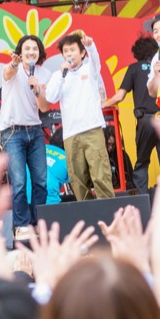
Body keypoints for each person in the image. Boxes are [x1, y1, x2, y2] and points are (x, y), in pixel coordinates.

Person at [45, 32, 114, 200]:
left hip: (92, 129)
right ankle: (86, 212)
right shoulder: (57, 76)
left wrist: (91, 46)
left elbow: (96, 62)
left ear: (82, 53)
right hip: (71, 134)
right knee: (77, 179)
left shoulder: (89, 69)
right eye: (65, 51)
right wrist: (62, 75)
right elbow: (51, 97)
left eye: (72, 50)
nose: (69, 54)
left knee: (100, 174)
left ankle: (109, 211)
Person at [0, 34, 52, 241]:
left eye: (35, 49)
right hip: (13, 132)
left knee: (41, 181)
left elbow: (44, 107)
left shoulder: (44, 74)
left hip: (35, 131)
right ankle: (21, 225)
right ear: (20, 52)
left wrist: (36, 89)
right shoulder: (12, 68)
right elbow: (8, 72)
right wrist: (14, 63)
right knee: (19, 182)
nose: (31, 52)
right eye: (27, 48)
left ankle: (37, 223)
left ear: (40, 52)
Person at [103, 34, 160, 195]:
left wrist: (103, 104)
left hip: (145, 120)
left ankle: (143, 200)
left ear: (136, 53)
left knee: (142, 163)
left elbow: (120, 96)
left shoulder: (133, 68)